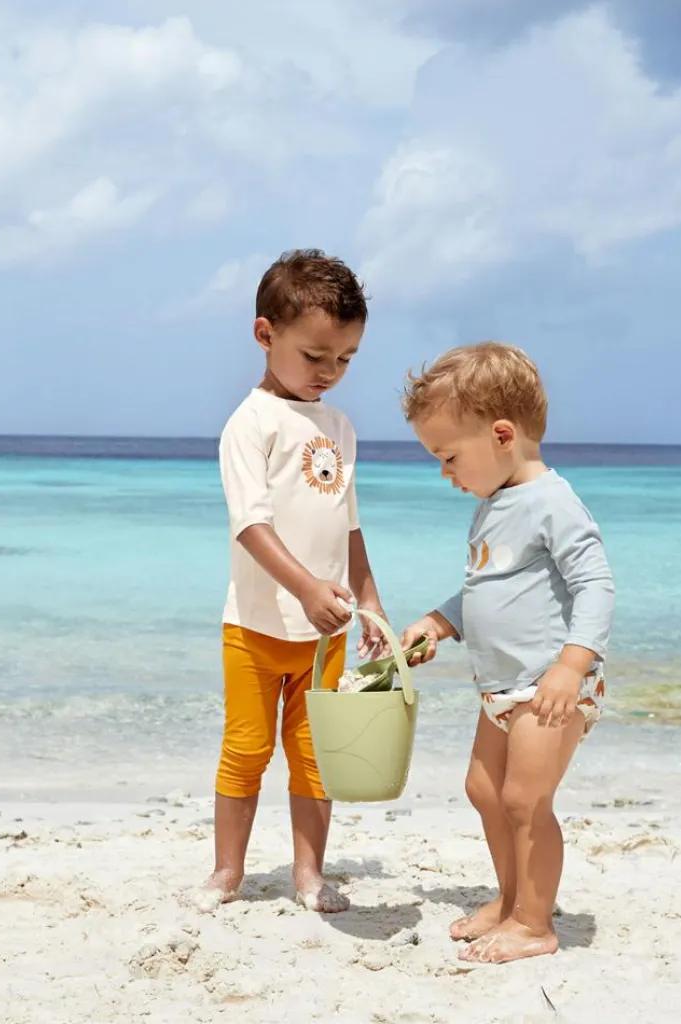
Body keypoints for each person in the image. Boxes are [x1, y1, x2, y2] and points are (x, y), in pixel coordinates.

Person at [399, 341, 615, 963]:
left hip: (548, 687)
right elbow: (488, 586)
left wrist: (571, 666)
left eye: (449, 457)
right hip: (500, 687)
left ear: (501, 436)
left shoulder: (552, 501)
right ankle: (512, 897)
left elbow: (595, 584)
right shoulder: (495, 504)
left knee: (525, 800)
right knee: (484, 790)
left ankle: (534, 924)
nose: (446, 473)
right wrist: (441, 621)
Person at [203, 249, 389, 914]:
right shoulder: (249, 424)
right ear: (265, 334)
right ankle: (227, 871)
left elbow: (349, 524)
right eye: (315, 356)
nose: (329, 372)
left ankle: (308, 872)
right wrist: (308, 588)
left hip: (323, 636)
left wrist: (368, 599)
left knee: (315, 756)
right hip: (255, 629)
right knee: (246, 750)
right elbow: (251, 526)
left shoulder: (339, 428)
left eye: (345, 359)